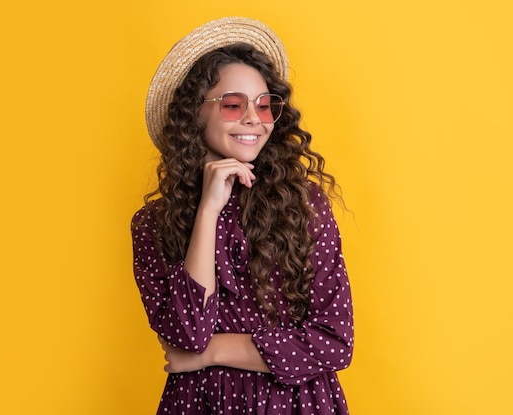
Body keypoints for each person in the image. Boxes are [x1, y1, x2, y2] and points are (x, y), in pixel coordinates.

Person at [131, 16, 354, 414]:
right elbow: (187, 335)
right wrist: (207, 210)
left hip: (296, 403)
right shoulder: (153, 224)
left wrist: (211, 353)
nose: (254, 118)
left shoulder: (304, 207)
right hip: (201, 403)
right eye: (233, 105)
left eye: (265, 105)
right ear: (194, 114)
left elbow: (335, 341)